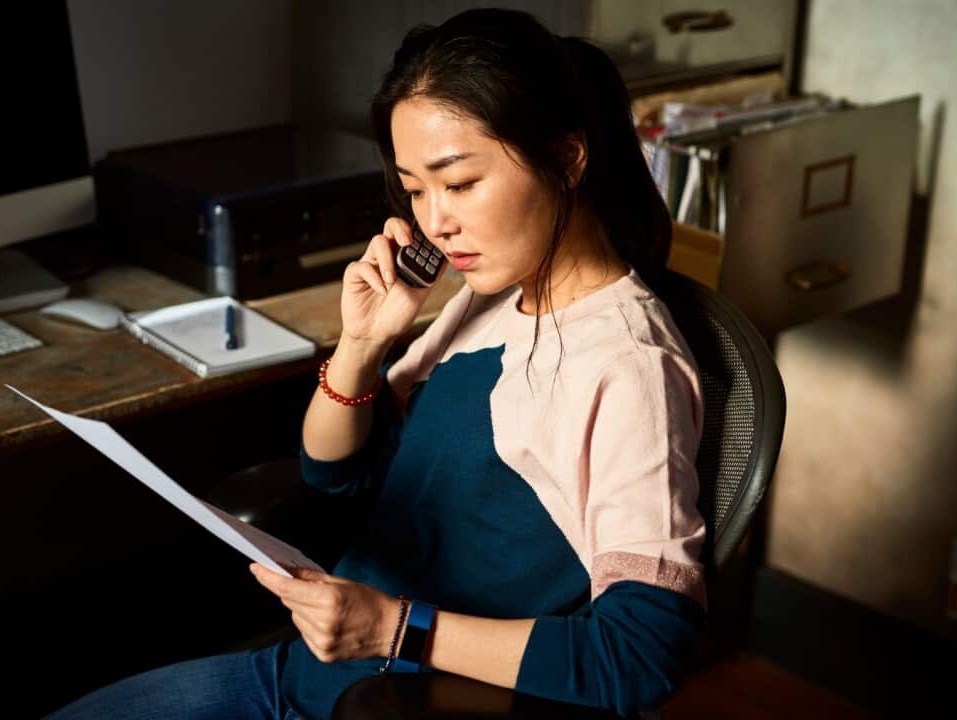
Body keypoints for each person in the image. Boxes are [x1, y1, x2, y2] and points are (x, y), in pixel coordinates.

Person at [46, 8, 706, 719]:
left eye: (459, 183)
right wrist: (362, 344)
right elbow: (335, 478)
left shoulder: (627, 368)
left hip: (391, 702)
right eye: (415, 190)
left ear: (568, 158)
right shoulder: (491, 294)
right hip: (303, 673)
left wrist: (393, 627)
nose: (435, 223)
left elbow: (640, 656)